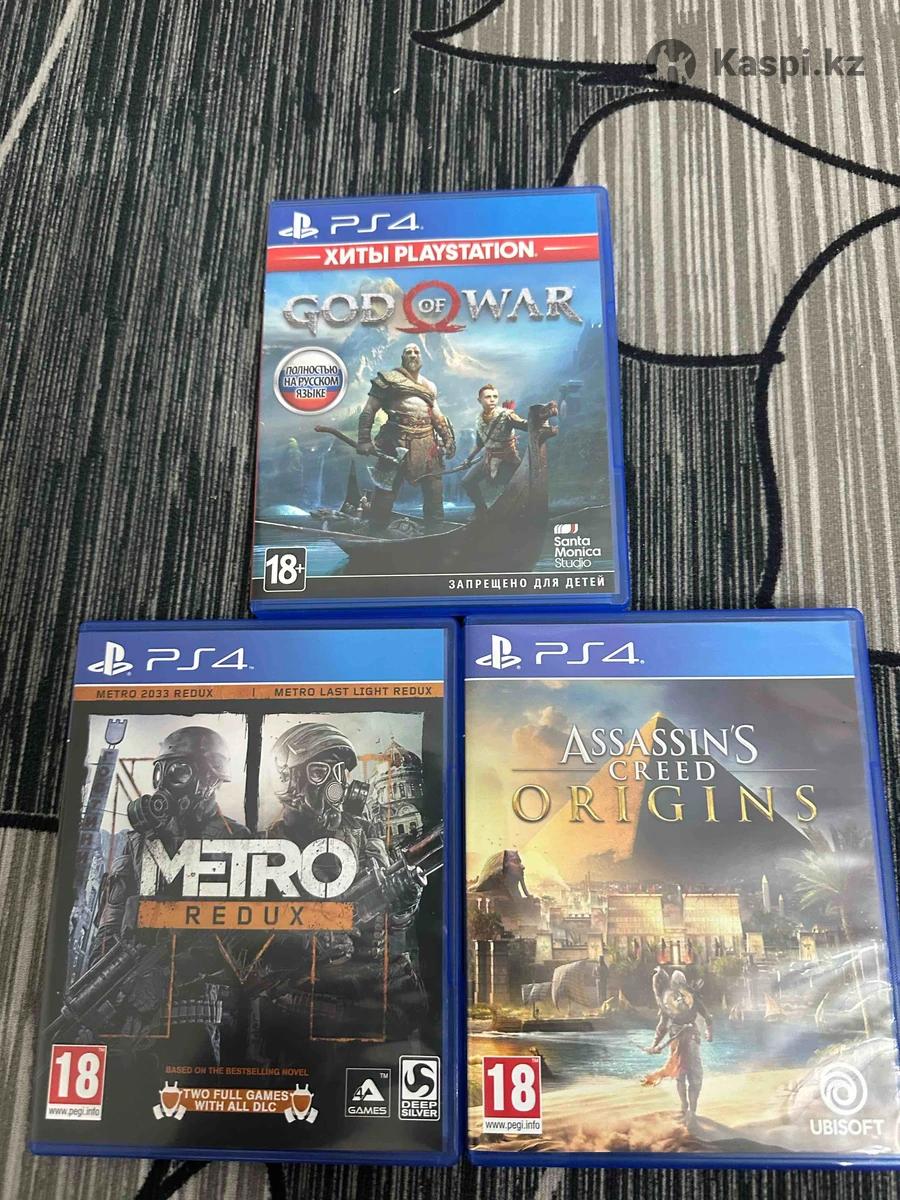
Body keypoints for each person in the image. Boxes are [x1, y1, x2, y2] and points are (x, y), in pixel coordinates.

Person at [357, 343, 455, 531]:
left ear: (421, 358)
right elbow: (369, 409)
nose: (412, 355)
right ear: (402, 357)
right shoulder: (388, 380)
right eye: (408, 352)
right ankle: (376, 531)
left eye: (416, 352)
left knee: (434, 489)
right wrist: (364, 439)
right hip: (396, 440)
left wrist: (448, 438)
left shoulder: (429, 386)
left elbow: (436, 415)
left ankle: (435, 530)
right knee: (386, 489)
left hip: (427, 443)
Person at [641, 966, 713, 1124]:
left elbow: (707, 1017)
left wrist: (709, 1032)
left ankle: (690, 1110)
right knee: (682, 1075)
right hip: (678, 1039)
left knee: (692, 1075)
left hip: (689, 1037)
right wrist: (654, 1044)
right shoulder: (669, 1001)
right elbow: (662, 1026)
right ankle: (686, 1107)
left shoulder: (689, 998)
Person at [460, 384, 528, 515]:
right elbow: (479, 443)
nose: (492, 399)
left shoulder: (507, 415)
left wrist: (537, 421)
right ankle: (481, 510)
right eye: (488, 397)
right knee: (467, 482)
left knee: (514, 486)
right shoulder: (479, 419)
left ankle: (517, 512)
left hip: (508, 458)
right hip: (488, 458)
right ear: (479, 400)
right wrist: (468, 459)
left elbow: (525, 425)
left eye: (495, 397)